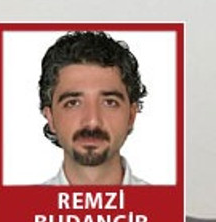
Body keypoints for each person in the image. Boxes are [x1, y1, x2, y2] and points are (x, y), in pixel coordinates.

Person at [39, 31, 148, 186]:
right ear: (50, 118)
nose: (92, 121)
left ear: (131, 115)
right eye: (73, 103)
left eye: (109, 102)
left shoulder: (168, 208)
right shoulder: (20, 209)